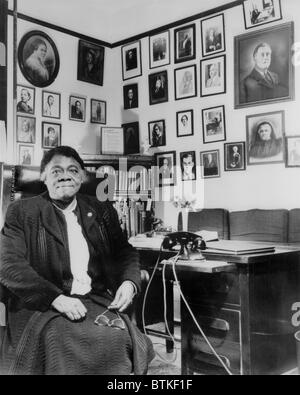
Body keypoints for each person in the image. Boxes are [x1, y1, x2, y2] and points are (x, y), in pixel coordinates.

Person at [0, 146, 154, 375]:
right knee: (60, 338)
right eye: (56, 170)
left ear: (82, 177)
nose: (65, 175)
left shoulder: (101, 210)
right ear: (43, 176)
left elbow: (124, 252)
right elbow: (8, 263)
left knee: (116, 337)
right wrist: (55, 298)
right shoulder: (22, 211)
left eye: (73, 170)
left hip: (94, 300)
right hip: (42, 303)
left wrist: (129, 282)